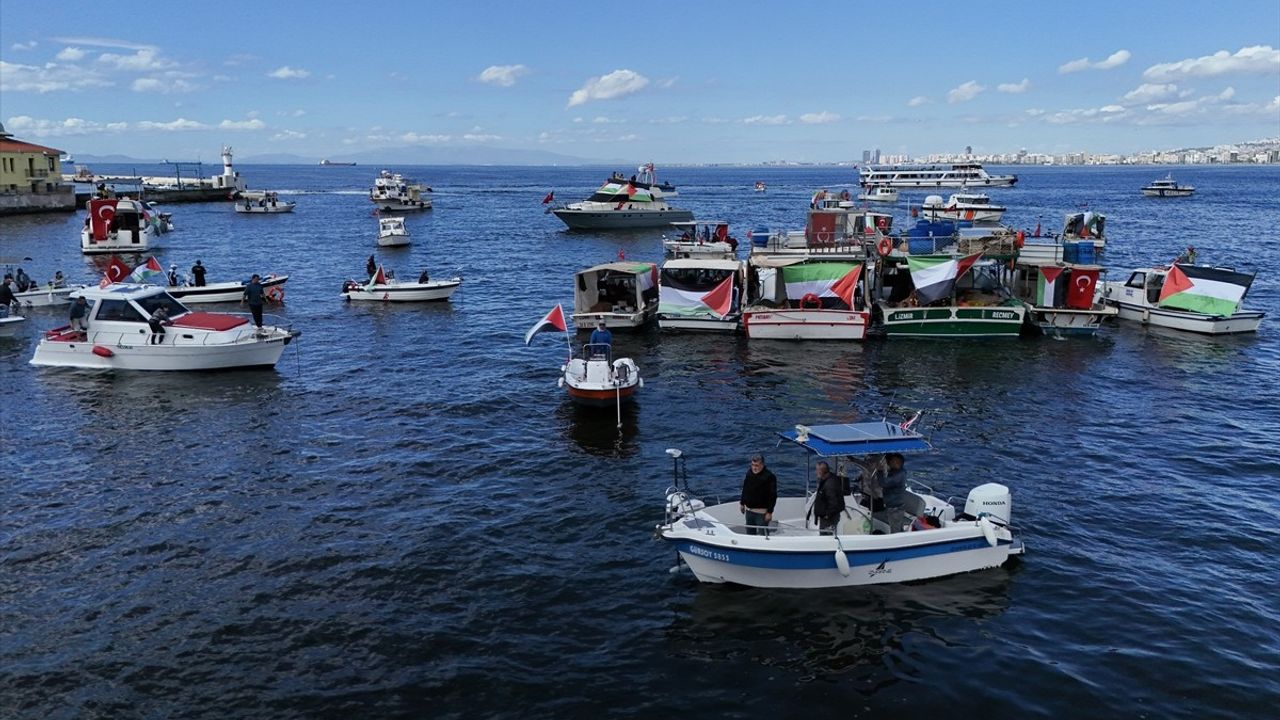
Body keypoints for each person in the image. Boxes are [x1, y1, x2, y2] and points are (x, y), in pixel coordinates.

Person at [739, 453, 778, 536]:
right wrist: (742, 503)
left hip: (761, 513)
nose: (754, 467)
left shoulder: (769, 476)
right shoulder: (749, 473)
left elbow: (773, 495)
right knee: (749, 533)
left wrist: (769, 512)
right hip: (749, 511)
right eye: (752, 465)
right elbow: (745, 488)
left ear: (762, 465)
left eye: (756, 465)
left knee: (763, 535)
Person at [810, 461, 845, 535]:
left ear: (821, 471)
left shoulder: (829, 484)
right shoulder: (826, 480)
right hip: (825, 517)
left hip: (829, 519)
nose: (816, 472)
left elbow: (833, 502)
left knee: (826, 536)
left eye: (817, 470)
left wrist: (827, 515)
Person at [879, 453, 909, 534]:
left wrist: (879, 471)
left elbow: (884, 483)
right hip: (891, 505)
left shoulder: (899, 475)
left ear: (898, 462)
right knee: (897, 527)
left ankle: (899, 544)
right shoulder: (895, 471)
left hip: (896, 508)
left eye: (892, 461)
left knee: (896, 530)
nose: (889, 462)